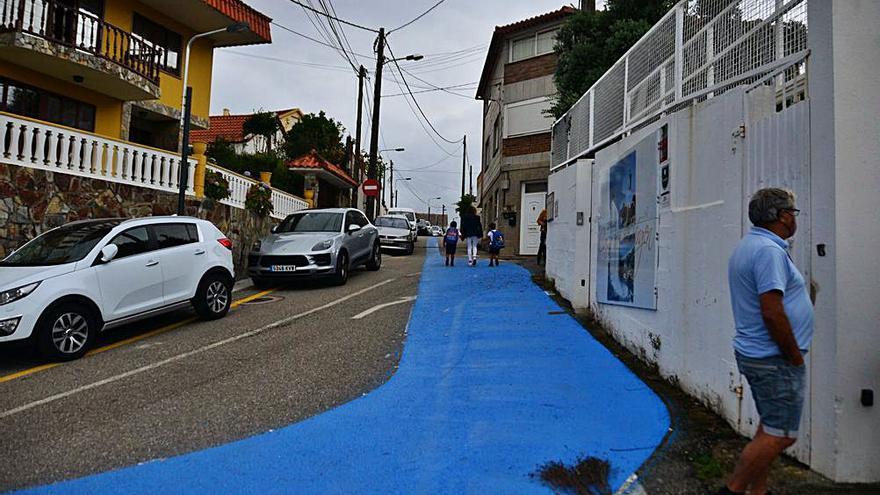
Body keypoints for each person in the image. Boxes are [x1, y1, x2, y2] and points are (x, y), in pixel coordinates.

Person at [718, 188, 814, 495]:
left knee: (768, 427)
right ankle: (732, 490)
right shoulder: (769, 252)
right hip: (775, 359)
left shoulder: (752, 245)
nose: (794, 218)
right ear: (784, 216)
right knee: (781, 436)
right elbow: (772, 312)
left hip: (761, 355)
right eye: (793, 213)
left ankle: (758, 491)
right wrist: (795, 356)